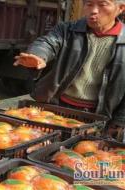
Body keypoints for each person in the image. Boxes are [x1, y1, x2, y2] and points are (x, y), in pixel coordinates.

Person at [14, 0, 125, 131]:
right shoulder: (67, 30)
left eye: (102, 4)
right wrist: (38, 55)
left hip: (99, 116)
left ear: (120, 8)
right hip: (59, 109)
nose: (94, 10)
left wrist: (120, 121)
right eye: (89, 4)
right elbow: (47, 43)